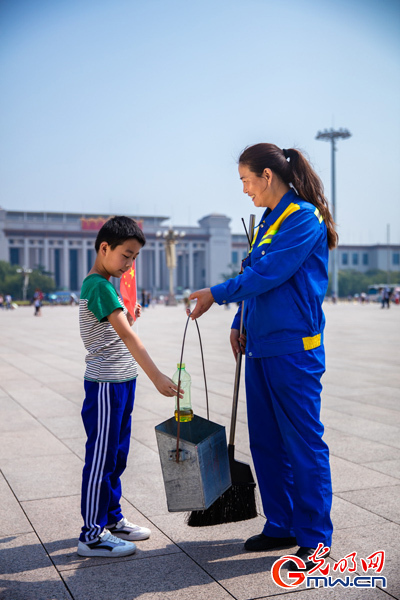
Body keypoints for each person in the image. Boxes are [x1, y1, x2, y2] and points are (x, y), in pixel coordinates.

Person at [189, 143, 336, 571]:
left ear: (267, 176)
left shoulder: (304, 218)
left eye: (246, 181)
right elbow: (256, 279)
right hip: (261, 346)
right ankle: (282, 522)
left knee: (303, 444)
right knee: (267, 443)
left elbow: (270, 273)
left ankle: (315, 539)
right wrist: (240, 320)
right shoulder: (270, 220)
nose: (245, 190)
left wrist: (217, 295)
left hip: (294, 351)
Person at [77, 216, 181, 558]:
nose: (129, 264)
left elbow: (114, 330)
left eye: (134, 257)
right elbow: (126, 336)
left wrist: (129, 314)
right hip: (106, 386)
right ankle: (91, 534)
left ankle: (111, 519)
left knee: (117, 456)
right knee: (101, 458)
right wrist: (158, 377)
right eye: (126, 255)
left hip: (121, 382)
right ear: (104, 247)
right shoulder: (99, 286)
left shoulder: (106, 287)